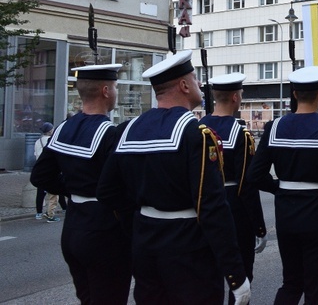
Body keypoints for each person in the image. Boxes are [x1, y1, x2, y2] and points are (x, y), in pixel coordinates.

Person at [97, 50, 251, 305]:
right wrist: (235, 274)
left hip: (145, 247)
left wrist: (140, 224)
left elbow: (107, 192)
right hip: (190, 253)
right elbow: (212, 208)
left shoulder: (128, 130)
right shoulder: (197, 134)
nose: (199, 84)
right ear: (183, 85)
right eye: (194, 78)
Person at [248, 66, 318, 305]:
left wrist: (281, 187)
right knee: (316, 289)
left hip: (286, 218)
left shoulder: (274, 127)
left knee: (291, 283)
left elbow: (255, 175)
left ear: (294, 94)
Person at [31, 64, 131, 304]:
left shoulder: (63, 128)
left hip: (73, 230)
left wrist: (73, 188)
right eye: (116, 87)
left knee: (88, 298)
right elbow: (123, 187)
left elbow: (40, 177)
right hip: (105, 232)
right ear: (106, 90)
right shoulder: (111, 133)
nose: (116, 92)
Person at [199, 73, 273, 304]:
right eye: (240, 95)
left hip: (200, 210)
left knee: (207, 277)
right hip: (233, 211)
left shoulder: (196, 127)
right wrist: (259, 227)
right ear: (234, 97)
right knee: (240, 279)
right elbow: (247, 186)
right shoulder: (241, 133)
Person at [33, 122, 67, 222]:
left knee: (40, 192)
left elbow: (35, 154)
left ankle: (39, 212)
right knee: (53, 195)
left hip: (40, 169)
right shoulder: (51, 141)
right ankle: (51, 214)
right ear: (50, 131)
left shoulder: (38, 141)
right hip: (51, 170)